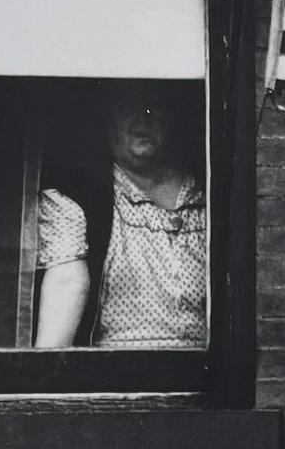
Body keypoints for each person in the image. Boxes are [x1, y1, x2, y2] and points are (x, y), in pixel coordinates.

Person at [34, 90, 206, 348]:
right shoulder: (81, 198)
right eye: (128, 107)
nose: (142, 120)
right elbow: (67, 282)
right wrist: (43, 378)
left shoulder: (206, 195)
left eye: (154, 108)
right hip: (119, 371)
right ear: (107, 116)